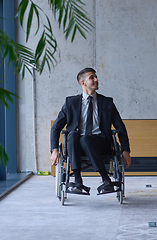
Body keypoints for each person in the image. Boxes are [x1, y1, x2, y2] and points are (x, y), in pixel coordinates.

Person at [50, 67, 131, 195]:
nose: (96, 80)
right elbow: (56, 127)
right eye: (91, 77)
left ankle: (106, 180)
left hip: (100, 144)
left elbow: (120, 127)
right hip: (76, 147)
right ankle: (78, 181)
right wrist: (54, 150)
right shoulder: (71, 103)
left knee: (86, 138)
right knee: (73, 135)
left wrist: (125, 150)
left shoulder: (107, 102)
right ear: (83, 83)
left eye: (96, 77)